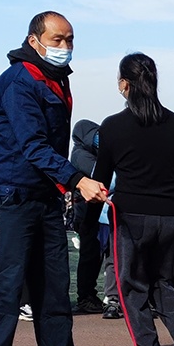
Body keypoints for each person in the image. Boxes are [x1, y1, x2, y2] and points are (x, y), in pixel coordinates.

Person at [0, 11, 109, 346]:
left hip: (46, 193)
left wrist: (66, 184)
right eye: (57, 40)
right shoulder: (20, 80)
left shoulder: (56, 79)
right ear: (34, 41)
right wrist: (78, 180)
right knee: (6, 277)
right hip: (12, 192)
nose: (65, 46)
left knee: (53, 277)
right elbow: (33, 145)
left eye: (69, 40)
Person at [90, 53, 174, 346]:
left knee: (131, 287)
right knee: (161, 280)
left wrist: (88, 218)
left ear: (123, 84)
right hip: (171, 214)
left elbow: (101, 179)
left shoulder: (113, 126)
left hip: (131, 214)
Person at [70, 119, 105, 313]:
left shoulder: (89, 153)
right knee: (90, 254)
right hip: (87, 211)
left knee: (95, 254)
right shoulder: (80, 155)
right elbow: (99, 174)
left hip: (93, 210)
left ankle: (89, 295)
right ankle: (85, 297)